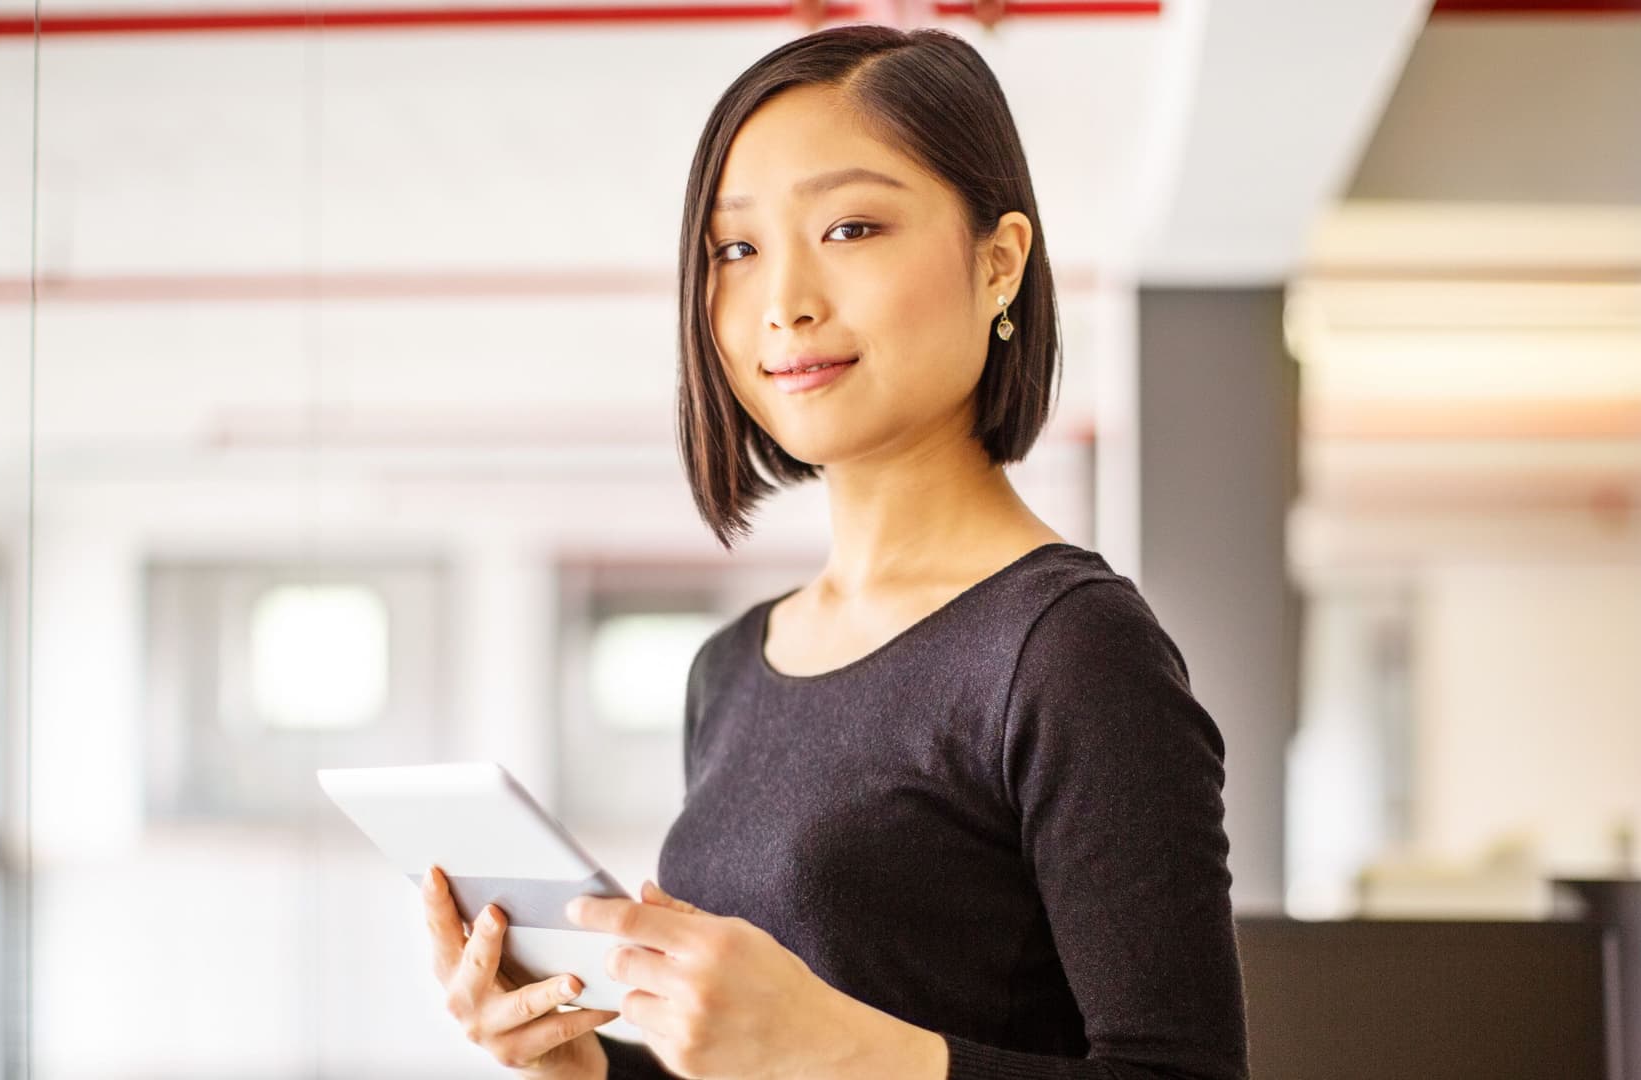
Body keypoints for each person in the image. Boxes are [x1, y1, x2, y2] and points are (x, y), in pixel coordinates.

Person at [420, 22, 1248, 1080]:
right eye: (736, 249)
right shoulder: (728, 669)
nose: (785, 302)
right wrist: (579, 1063)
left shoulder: (1070, 651)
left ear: (997, 265)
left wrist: (844, 1050)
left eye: (851, 228)